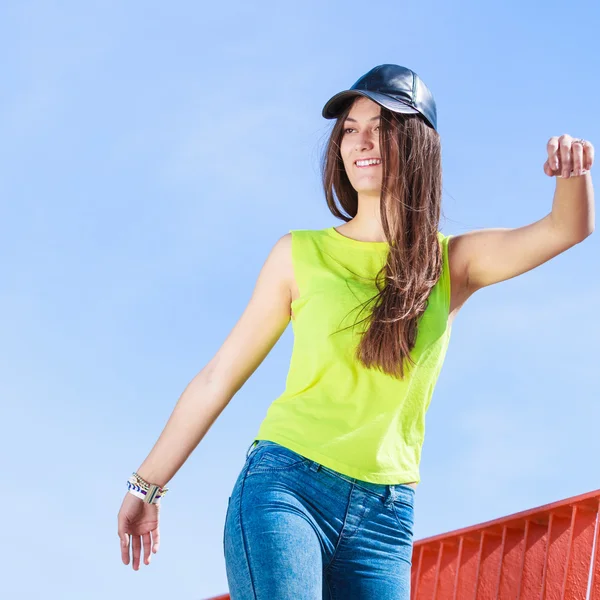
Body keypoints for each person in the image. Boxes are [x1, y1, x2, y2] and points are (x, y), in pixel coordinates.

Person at [117, 64, 595, 598]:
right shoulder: (299, 254)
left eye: (381, 126)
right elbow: (218, 376)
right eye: (349, 129)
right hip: (286, 488)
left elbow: (566, 228)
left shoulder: (452, 262)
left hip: (385, 519)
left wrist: (572, 172)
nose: (361, 141)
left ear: (417, 144)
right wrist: (146, 484)